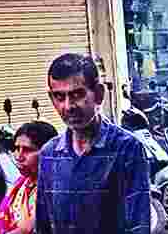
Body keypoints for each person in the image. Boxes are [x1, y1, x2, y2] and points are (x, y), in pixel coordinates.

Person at [33, 53, 150, 234]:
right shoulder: (49, 154)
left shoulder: (127, 149)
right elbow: (43, 225)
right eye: (59, 97)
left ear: (99, 94)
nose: (68, 106)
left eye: (77, 94)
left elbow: (139, 226)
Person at [0, 121, 59, 234]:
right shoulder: (23, 184)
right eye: (16, 148)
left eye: (28, 150)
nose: (18, 157)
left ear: (48, 153)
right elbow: (15, 214)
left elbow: (25, 229)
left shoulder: (55, 189)